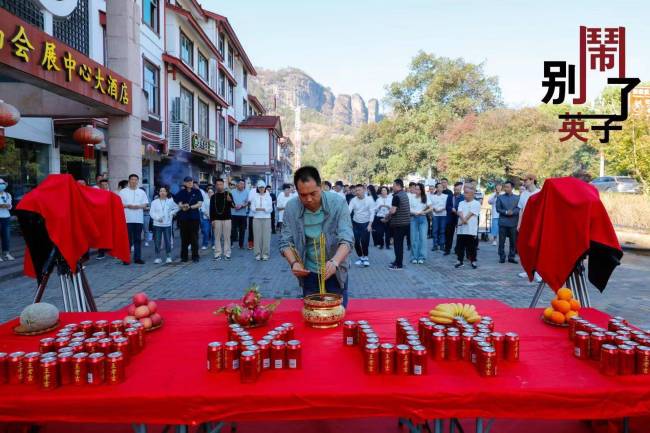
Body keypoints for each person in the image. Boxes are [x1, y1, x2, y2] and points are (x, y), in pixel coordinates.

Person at [279, 166, 353, 306]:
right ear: (297, 191)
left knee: (336, 314)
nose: (308, 199)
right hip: (308, 272)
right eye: (303, 195)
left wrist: (335, 262)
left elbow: (347, 238)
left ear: (321, 186)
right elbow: (285, 242)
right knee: (313, 313)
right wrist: (294, 263)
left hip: (334, 269)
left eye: (313, 193)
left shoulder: (338, 203)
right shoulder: (291, 207)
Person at [118, 174, 149, 265]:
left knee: (138, 239)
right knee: (127, 240)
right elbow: (119, 204)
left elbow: (145, 204)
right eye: (132, 179)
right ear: (129, 180)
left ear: (137, 181)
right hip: (127, 219)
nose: (134, 181)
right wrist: (128, 206)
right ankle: (126, 258)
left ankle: (137, 258)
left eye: (135, 179)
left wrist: (138, 206)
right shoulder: (123, 192)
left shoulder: (141, 192)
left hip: (138, 219)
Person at [518, 174, 542, 280]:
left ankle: (538, 271)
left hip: (536, 224)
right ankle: (528, 270)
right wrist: (519, 224)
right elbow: (521, 210)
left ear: (532, 180)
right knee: (526, 247)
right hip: (526, 224)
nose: (524, 182)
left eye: (526, 180)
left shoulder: (540, 193)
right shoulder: (523, 194)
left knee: (536, 247)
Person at [174, 176, 203, 263]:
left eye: (191, 181)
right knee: (184, 238)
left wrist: (190, 207)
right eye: (188, 181)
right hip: (183, 218)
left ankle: (195, 256)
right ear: (184, 183)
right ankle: (184, 257)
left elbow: (200, 203)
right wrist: (182, 206)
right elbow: (178, 202)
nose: (190, 183)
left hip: (194, 218)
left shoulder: (197, 191)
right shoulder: (181, 192)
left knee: (194, 238)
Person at [149, 185, 179, 264]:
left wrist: (171, 213)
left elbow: (177, 208)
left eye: (164, 191)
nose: (162, 192)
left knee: (168, 241)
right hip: (157, 224)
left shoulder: (170, 201)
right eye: (161, 191)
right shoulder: (154, 202)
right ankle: (158, 257)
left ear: (167, 192)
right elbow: (151, 212)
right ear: (158, 192)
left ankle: (168, 256)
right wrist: (158, 218)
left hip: (167, 224)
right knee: (157, 241)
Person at [348, 184, 375, 267]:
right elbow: (348, 211)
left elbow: (372, 212)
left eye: (359, 190)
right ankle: (360, 257)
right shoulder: (353, 200)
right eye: (356, 190)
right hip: (356, 223)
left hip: (366, 223)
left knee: (364, 241)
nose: (357, 192)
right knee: (356, 242)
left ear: (364, 190)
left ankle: (366, 257)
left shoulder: (370, 200)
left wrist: (370, 225)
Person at [455, 186, 481, 269]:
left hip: (471, 229)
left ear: (472, 194)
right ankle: (460, 261)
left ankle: (473, 261)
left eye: (466, 193)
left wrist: (461, 222)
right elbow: (459, 212)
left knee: (472, 247)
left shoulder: (476, 203)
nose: (464, 194)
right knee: (460, 246)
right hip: (461, 230)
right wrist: (463, 220)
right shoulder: (461, 203)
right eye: (464, 192)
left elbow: (470, 214)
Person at [387, 179, 411, 270]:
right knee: (399, 244)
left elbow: (393, 210)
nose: (392, 187)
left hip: (399, 224)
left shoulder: (396, 196)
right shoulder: (404, 194)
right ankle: (397, 261)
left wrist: (387, 216)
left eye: (393, 185)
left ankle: (399, 264)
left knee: (398, 245)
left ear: (398, 186)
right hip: (405, 223)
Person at [210, 178, 235, 260]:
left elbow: (233, 206)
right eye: (217, 185)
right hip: (216, 220)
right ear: (215, 186)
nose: (219, 186)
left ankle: (227, 254)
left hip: (227, 219)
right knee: (217, 237)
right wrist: (212, 220)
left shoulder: (228, 194)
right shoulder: (213, 196)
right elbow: (211, 209)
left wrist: (230, 201)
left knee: (227, 237)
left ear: (223, 185)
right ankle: (217, 254)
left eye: (221, 184)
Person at [496, 181, 519, 264]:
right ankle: (502, 257)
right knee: (501, 241)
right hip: (503, 223)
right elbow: (498, 209)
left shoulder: (517, 198)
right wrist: (506, 212)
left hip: (513, 223)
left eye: (507, 187)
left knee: (513, 241)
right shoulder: (500, 198)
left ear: (512, 188)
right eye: (505, 187)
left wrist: (513, 212)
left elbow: (519, 208)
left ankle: (511, 257)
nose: (506, 188)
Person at [250, 180, 273, 260]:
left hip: (266, 218)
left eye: (263, 187)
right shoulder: (254, 197)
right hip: (256, 218)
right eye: (260, 187)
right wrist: (257, 209)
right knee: (257, 237)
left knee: (266, 237)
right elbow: (252, 208)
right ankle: (257, 254)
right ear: (258, 188)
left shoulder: (268, 197)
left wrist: (264, 209)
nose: (261, 189)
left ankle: (265, 254)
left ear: (265, 188)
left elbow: (271, 209)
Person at [409, 183, 431, 264]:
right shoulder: (411, 198)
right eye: (415, 189)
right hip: (413, 218)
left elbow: (431, 208)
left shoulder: (425, 197)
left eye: (418, 189)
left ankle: (421, 257)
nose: (416, 190)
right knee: (414, 238)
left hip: (423, 218)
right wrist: (414, 213)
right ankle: (414, 257)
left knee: (423, 238)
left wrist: (423, 212)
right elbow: (409, 209)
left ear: (421, 190)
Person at [444, 182, 464, 256]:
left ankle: (457, 249)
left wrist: (458, 210)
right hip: (450, 217)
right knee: (449, 234)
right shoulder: (450, 196)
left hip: (459, 217)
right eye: (455, 189)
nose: (456, 191)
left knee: (459, 234)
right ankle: (447, 249)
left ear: (460, 189)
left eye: (458, 190)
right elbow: (447, 206)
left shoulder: (463, 197)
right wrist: (451, 209)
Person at [230, 179, 249, 249]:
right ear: (237, 184)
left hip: (243, 214)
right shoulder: (232, 192)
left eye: (243, 184)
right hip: (233, 213)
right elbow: (230, 201)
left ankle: (241, 244)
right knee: (232, 229)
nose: (242, 185)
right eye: (241, 184)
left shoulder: (247, 192)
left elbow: (248, 202)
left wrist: (242, 206)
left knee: (242, 230)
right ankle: (231, 243)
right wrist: (234, 206)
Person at [430, 182, 447, 251]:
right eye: (438, 187)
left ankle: (442, 245)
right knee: (435, 230)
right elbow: (430, 205)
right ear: (436, 188)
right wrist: (434, 209)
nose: (440, 188)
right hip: (435, 215)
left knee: (442, 230)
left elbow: (446, 205)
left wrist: (441, 209)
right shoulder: (432, 197)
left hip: (443, 215)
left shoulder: (446, 196)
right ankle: (435, 245)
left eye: (441, 187)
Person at [0, 178, 14, 261]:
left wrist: (8, 206)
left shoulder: (8, 195)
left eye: (2, 183)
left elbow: (11, 206)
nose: (1, 185)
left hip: (6, 217)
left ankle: (6, 253)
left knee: (6, 237)